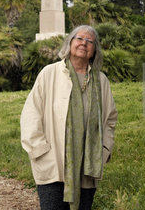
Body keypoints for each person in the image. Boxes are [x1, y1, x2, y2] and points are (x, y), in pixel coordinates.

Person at [21, 25, 118, 210]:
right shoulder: (50, 74)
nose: (84, 43)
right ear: (69, 43)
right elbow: (31, 114)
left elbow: (110, 119)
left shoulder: (101, 81)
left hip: (87, 167)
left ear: (94, 51)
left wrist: (104, 149)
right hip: (53, 163)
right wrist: (39, 150)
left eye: (90, 41)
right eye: (79, 38)